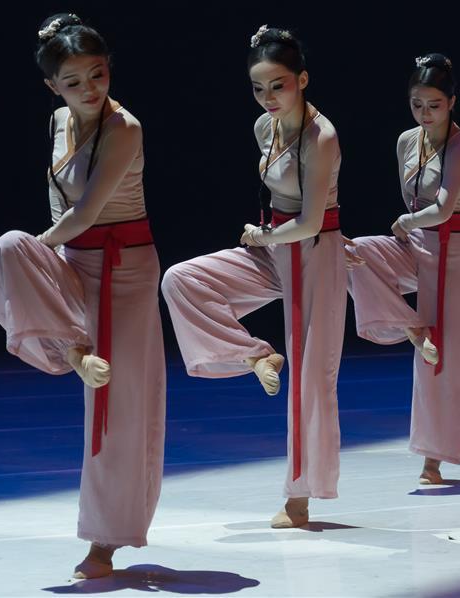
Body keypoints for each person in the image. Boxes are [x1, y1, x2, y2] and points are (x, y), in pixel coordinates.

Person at [0, 13, 165, 578]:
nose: (90, 89)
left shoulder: (125, 127)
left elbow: (87, 211)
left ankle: (104, 543)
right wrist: (44, 256)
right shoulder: (59, 120)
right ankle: (69, 350)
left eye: (98, 73)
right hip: (75, 259)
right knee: (10, 246)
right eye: (74, 81)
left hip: (125, 271)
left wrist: (49, 247)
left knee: (116, 409)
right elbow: (57, 205)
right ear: (53, 87)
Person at [161, 25, 345, 529]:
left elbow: (309, 220)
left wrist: (265, 238)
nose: (268, 97)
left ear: (303, 79)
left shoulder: (320, 136)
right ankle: (254, 352)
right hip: (274, 247)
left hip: (313, 252)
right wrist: (266, 239)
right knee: (182, 280)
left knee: (312, 380)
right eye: (259, 88)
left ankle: (299, 498)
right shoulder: (265, 127)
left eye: (279, 85)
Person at [347, 54, 460, 483]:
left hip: (454, 247)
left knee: (450, 358)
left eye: (434, 105)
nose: (424, 113)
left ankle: (433, 459)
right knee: (356, 252)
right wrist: (409, 226)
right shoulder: (407, 140)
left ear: (452, 102)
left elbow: (441, 208)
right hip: (417, 242)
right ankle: (410, 326)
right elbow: (414, 206)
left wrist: (408, 222)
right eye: (417, 104)